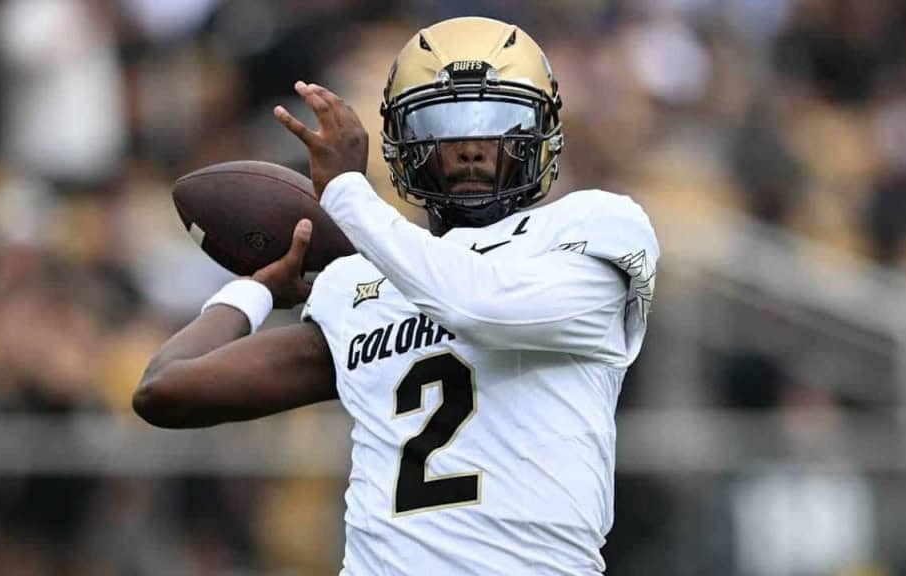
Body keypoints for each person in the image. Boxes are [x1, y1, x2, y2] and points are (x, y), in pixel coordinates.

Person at [134, 16, 658, 575]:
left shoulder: (594, 227)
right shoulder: (361, 284)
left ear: (541, 131)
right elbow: (165, 389)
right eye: (442, 124)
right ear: (404, 143)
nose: (470, 149)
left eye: (498, 122)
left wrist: (347, 195)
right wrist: (256, 288)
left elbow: (475, 305)